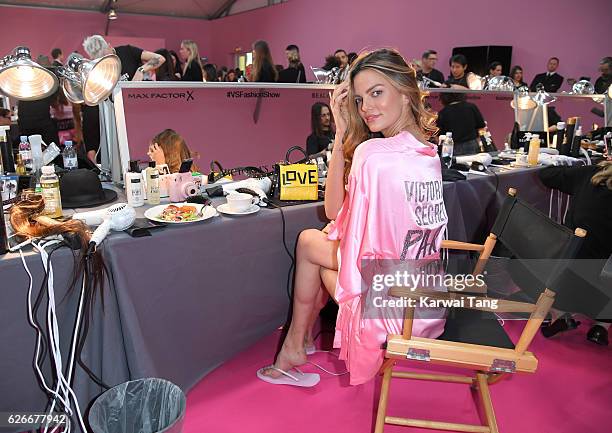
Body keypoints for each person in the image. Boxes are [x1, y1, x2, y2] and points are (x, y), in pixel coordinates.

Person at [258, 48, 447, 386]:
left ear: (404, 93)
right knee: (313, 245)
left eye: (377, 93)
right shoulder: (427, 151)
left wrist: (341, 134)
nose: (367, 108)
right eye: (360, 99)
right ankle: (297, 343)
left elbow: (333, 212)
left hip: (391, 311)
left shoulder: (373, 154)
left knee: (308, 244)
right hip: (427, 302)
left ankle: (294, 347)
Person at [538, 162, 612, 345]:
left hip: (557, 274)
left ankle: (559, 314)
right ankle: (601, 328)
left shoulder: (590, 174)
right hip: (598, 283)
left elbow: (546, 175)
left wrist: (563, 163)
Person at [82, 35, 166, 163]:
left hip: (137, 114)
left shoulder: (127, 52)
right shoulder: (100, 68)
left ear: (110, 46)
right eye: (101, 60)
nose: (106, 63)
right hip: (115, 119)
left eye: (107, 57)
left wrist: (141, 69)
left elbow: (160, 58)